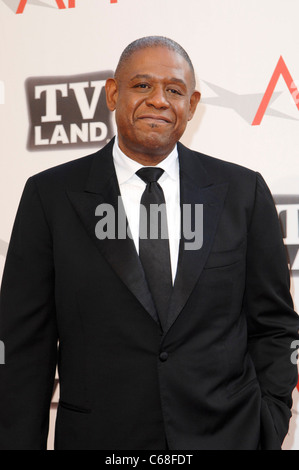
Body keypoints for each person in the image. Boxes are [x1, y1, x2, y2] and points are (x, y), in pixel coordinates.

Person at [0, 36, 298, 451]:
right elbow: (22, 349)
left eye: (174, 90)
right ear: (112, 93)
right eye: (142, 86)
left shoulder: (242, 192)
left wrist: (270, 420)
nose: (159, 100)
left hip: (229, 436)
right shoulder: (50, 196)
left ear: (191, 105)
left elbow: (276, 325)